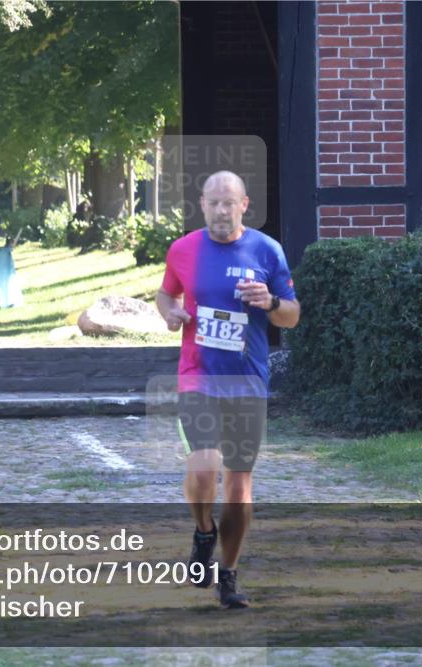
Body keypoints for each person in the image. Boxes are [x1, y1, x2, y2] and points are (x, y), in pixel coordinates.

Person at [156, 170, 300, 609]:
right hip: (197, 376)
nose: (221, 210)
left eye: (229, 202)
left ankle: (229, 573)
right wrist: (171, 312)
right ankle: (203, 532)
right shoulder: (183, 250)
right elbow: (164, 294)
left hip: (248, 382)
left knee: (239, 486)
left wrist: (270, 302)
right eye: (213, 202)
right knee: (203, 469)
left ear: (244, 205)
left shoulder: (266, 250)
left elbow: (292, 316)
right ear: (202, 204)